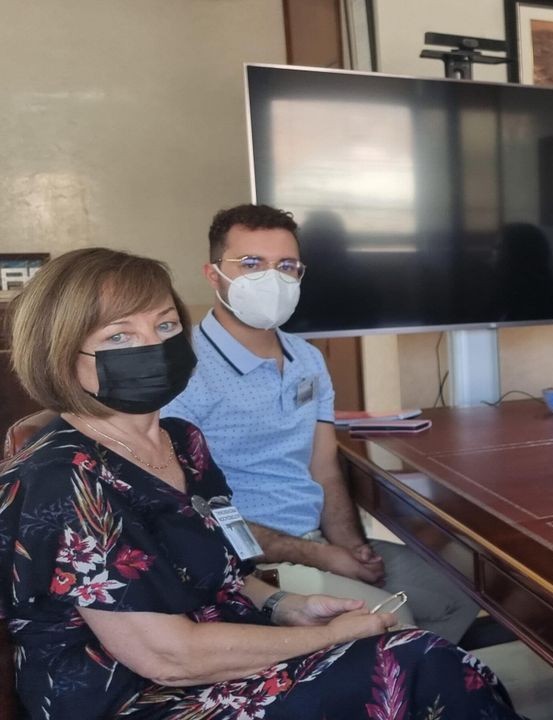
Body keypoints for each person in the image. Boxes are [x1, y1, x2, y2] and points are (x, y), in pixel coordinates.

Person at [0, 247, 524, 719]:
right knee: (412, 661)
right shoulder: (65, 477)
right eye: (119, 336)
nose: (153, 348)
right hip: (139, 695)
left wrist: (284, 606)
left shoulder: (181, 440)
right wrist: (332, 636)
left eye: (164, 327)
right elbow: (168, 658)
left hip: (221, 653)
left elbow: (221, 566)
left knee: (420, 661)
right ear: (61, 357)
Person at [162, 205, 479, 641]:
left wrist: (349, 546)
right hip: (249, 563)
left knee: (458, 598)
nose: (271, 278)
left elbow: (325, 469)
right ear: (214, 274)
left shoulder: (307, 359)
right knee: (391, 629)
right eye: (251, 264)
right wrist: (321, 556)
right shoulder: (184, 370)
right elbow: (192, 511)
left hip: (318, 542)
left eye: (286, 266)